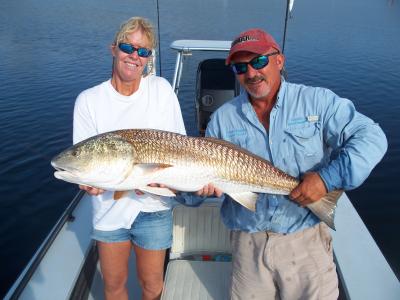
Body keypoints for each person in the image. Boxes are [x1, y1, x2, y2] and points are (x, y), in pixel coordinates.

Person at [192, 28, 387, 299]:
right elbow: (196, 189)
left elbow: (372, 137)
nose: (251, 73)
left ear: (279, 61)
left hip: (305, 244)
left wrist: (325, 180)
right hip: (248, 247)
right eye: (240, 67)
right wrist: (192, 188)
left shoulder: (316, 101)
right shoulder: (223, 119)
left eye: (259, 61)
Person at [73, 17, 185, 300]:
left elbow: (181, 147)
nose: (134, 56)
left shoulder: (161, 90)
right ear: (114, 49)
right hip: (109, 210)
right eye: (128, 47)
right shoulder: (89, 100)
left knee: (152, 286)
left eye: (143, 51)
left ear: (149, 58)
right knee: (114, 287)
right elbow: (83, 160)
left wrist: (168, 181)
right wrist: (86, 182)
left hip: (154, 206)